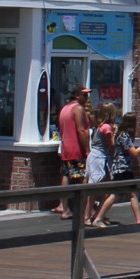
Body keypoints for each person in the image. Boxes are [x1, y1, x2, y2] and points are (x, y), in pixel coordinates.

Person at [55, 85, 92, 219]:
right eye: (84, 95)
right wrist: (87, 150)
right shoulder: (78, 108)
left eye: (87, 95)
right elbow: (80, 130)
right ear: (77, 95)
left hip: (66, 149)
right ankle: (85, 211)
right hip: (77, 149)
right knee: (83, 178)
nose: (87, 98)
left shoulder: (65, 108)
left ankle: (65, 208)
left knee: (66, 176)